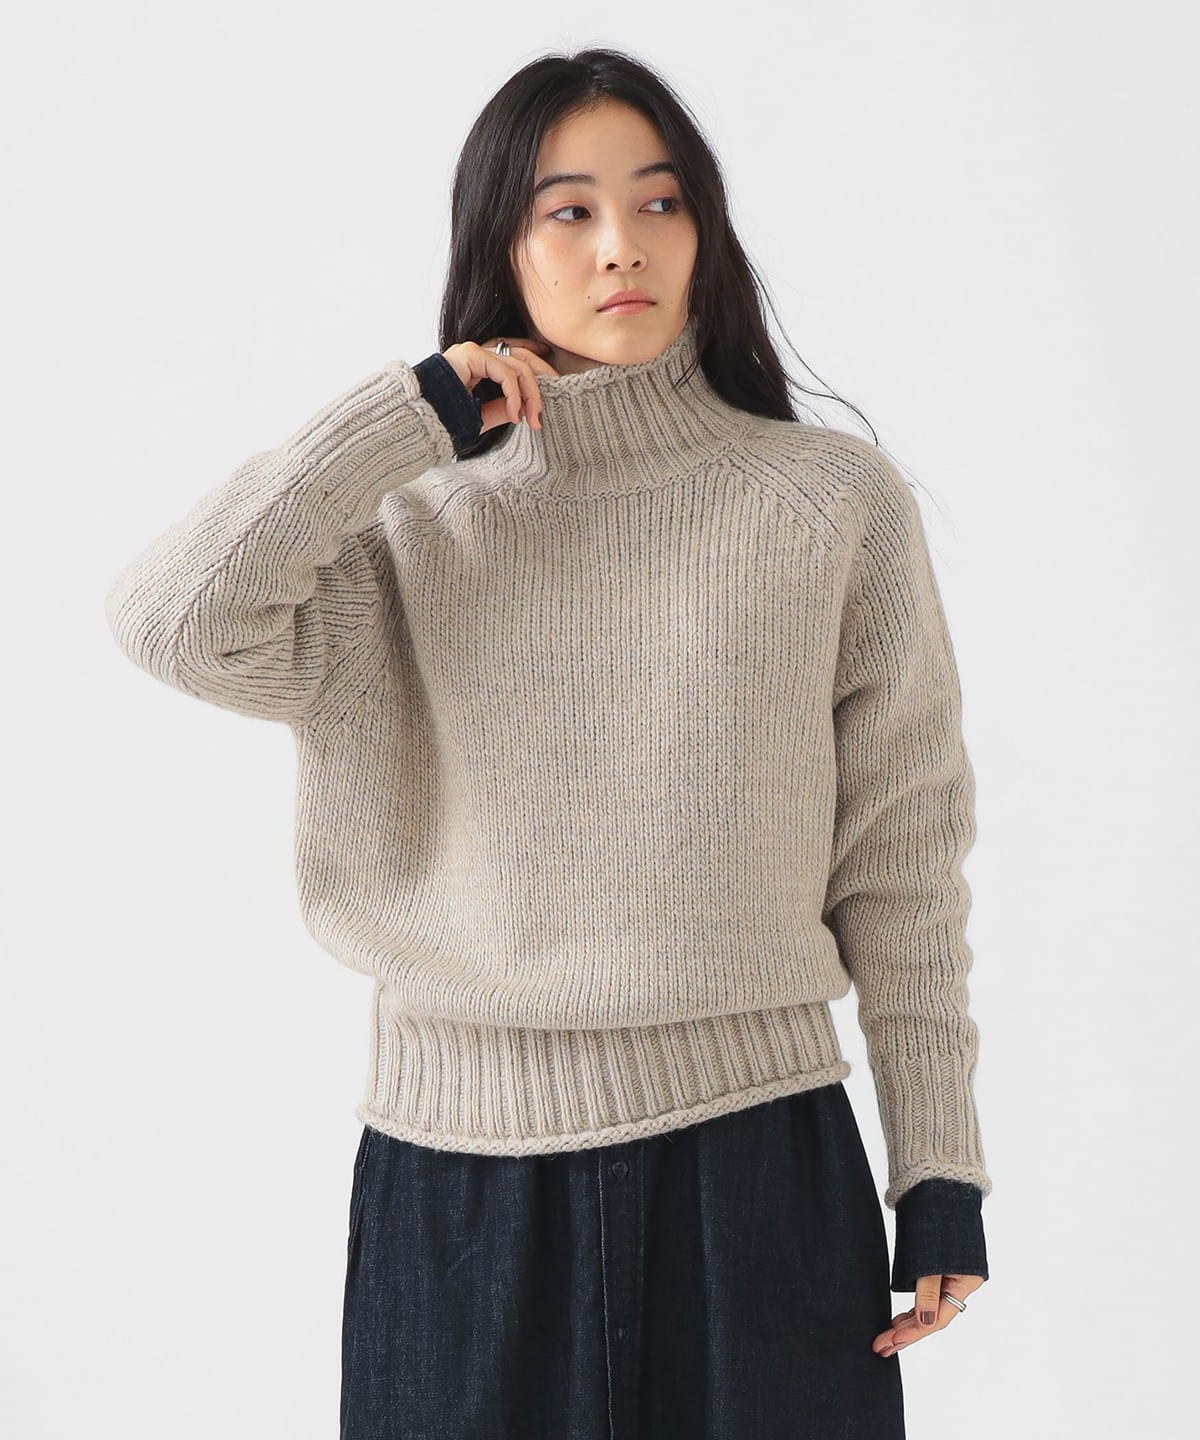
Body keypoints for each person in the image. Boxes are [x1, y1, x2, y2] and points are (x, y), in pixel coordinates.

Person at [104, 45, 991, 1440]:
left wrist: (938, 1167)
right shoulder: (401, 525)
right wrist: (401, 421)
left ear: (706, 228)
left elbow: (901, 856)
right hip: (461, 1189)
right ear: (498, 246)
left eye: (659, 201)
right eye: (567, 210)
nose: (621, 244)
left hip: (758, 1167)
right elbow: (174, 624)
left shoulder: (830, 503)